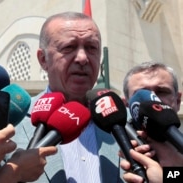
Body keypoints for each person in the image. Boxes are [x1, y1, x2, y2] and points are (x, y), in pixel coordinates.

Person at [12, 11, 125, 183]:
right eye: (69, 47)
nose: (82, 58)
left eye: (91, 48)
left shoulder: (127, 122)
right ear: (43, 59)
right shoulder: (12, 125)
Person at [121, 61, 183, 182]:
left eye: (161, 92)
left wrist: (173, 173)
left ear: (178, 100)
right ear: (127, 105)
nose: (153, 99)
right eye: (141, 93)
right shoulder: (111, 149)